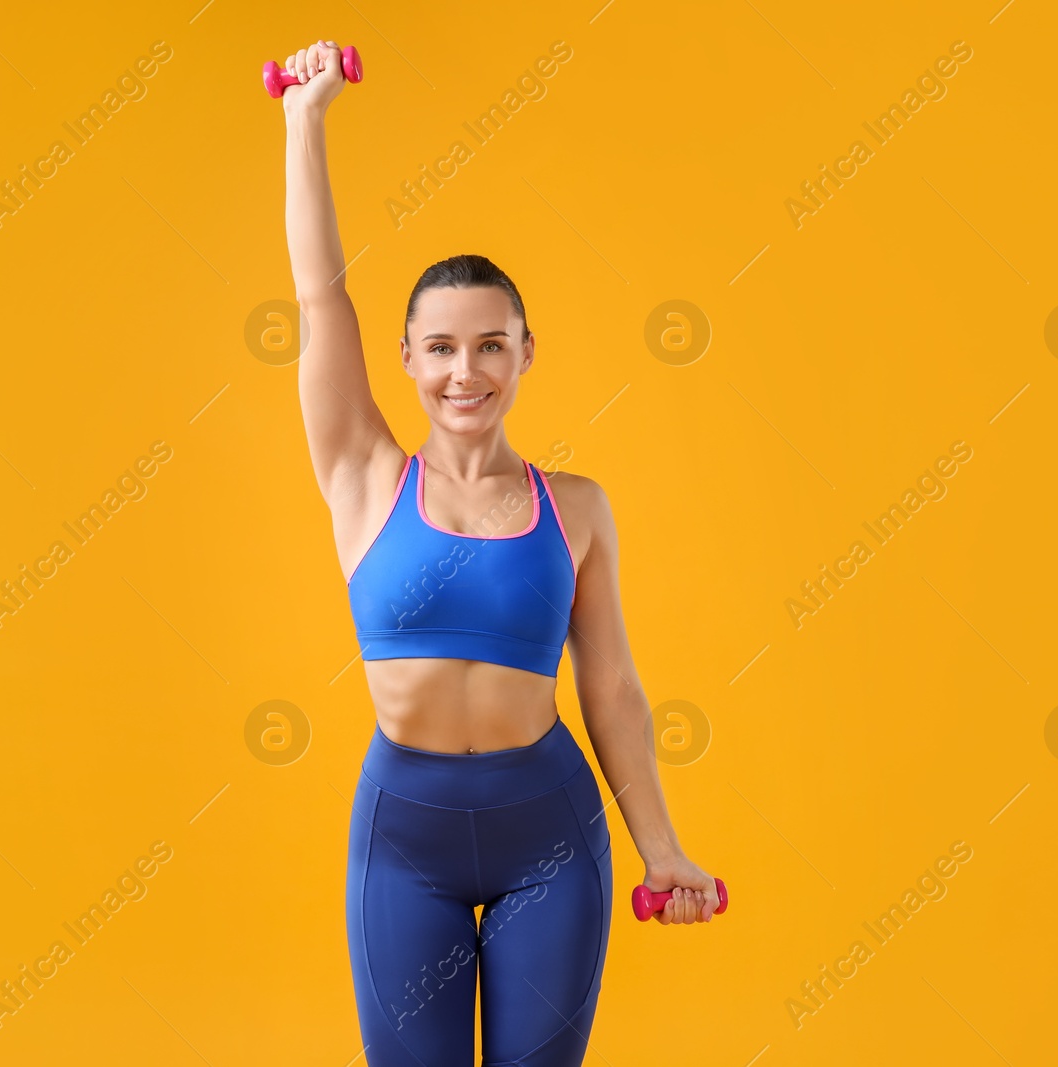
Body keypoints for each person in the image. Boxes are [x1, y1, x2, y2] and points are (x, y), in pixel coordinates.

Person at [279, 39, 721, 1066]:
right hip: (406, 840)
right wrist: (305, 120)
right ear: (406, 359)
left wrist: (663, 847)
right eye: (439, 346)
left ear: (526, 351)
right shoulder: (362, 477)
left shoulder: (577, 507)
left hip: (551, 836)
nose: (463, 370)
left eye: (490, 344)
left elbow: (609, 688)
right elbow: (317, 298)